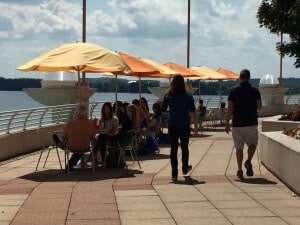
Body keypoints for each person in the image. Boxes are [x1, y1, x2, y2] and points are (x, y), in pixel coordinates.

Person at [225, 69, 262, 178]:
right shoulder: (255, 90)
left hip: (237, 123)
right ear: (249, 78)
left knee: (239, 147)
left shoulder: (233, 90)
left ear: (240, 77)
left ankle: (240, 170)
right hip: (251, 122)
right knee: (253, 144)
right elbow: (259, 106)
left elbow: (230, 108)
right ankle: (248, 160)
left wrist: (227, 123)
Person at [161, 74, 198, 181]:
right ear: (183, 83)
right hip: (184, 125)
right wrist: (195, 126)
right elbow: (192, 112)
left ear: (172, 83)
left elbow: (163, 110)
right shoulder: (188, 95)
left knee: (173, 149)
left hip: (172, 125)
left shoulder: (168, 95)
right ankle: (185, 167)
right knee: (184, 147)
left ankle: (174, 173)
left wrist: (172, 111)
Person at [61, 105, 95, 169]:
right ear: (85, 114)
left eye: (75, 113)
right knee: (80, 147)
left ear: (77, 114)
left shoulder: (70, 124)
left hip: (72, 147)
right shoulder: (90, 124)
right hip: (85, 147)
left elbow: (63, 137)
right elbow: (93, 136)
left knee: (61, 142)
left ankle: (56, 140)